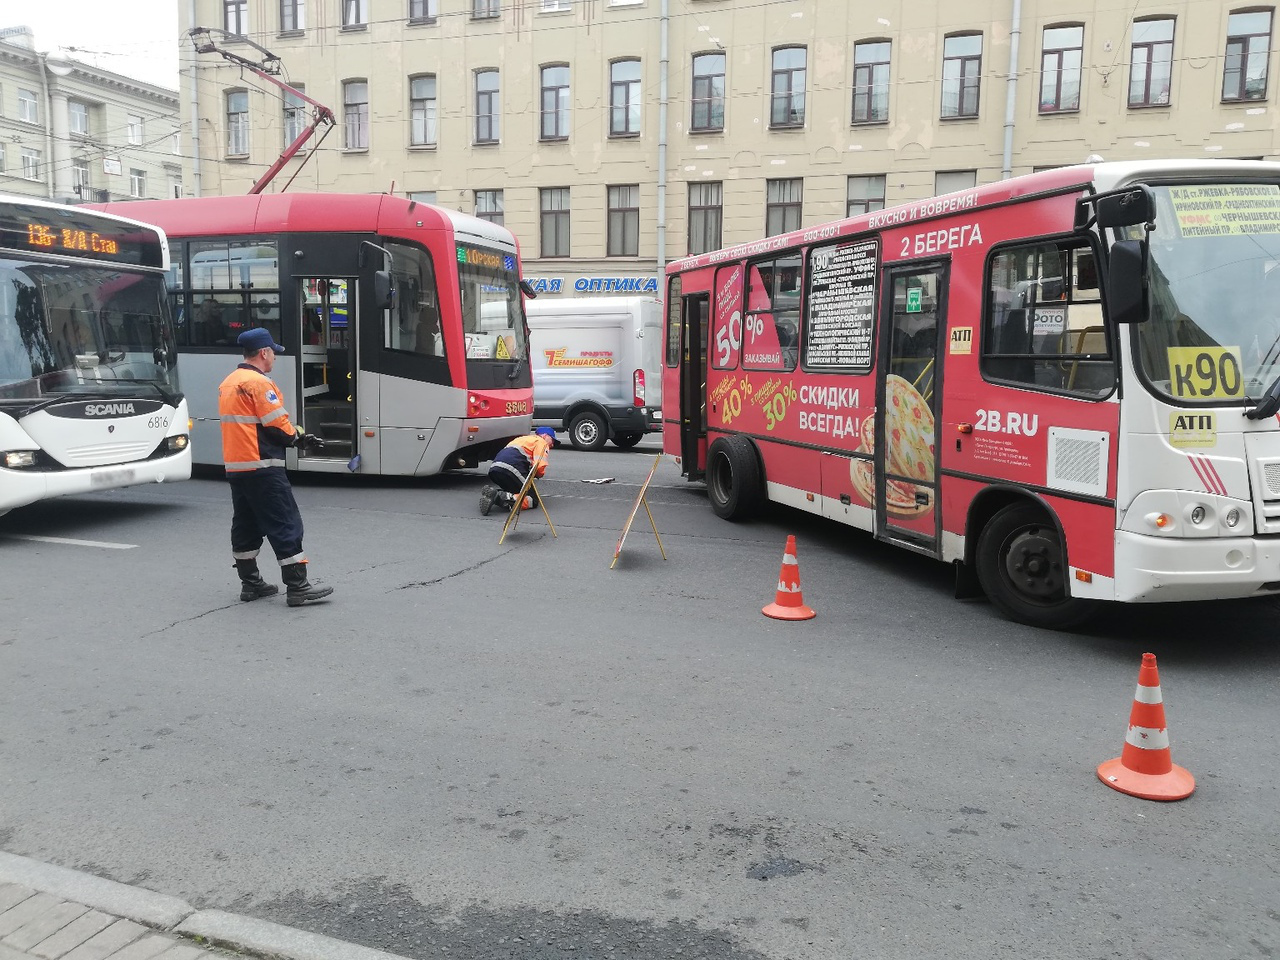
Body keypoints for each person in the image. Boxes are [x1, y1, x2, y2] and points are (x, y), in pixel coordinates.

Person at [218, 328, 334, 606]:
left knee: (245, 525)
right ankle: (298, 586)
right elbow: (276, 424)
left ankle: (251, 584)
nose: (274, 359)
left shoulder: (229, 382)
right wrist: (299, 438)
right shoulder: (258, 383)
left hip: (238, 468)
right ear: (264, 353)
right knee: (285, 522)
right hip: (264, 467)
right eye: (273, 353)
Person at [479, 426, 557, 515]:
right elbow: (539, 466)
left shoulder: (523, 439)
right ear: (545, 436)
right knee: (532, 499)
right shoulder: (541, 442)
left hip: (495, 467)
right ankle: (498, 497)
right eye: (553, 440)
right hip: (512, 467)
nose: (552, 445)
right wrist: (539, 474)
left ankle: (492, 494)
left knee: (516, 492)